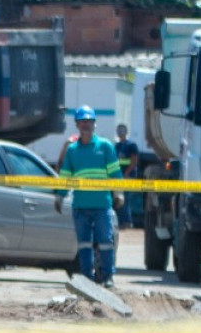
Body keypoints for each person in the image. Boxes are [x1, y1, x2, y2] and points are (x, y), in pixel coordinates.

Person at [58, 106, 121, 285]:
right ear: (77, 124)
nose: (86, 125)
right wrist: (60, 196)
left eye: (89, 121)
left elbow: (115, 173)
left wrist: (119, 193)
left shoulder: (105, 147)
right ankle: (87, 277)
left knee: (106, 242)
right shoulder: (72, 150)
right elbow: (65, 177)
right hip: (81, 206)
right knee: (84, 244)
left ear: (94, 124)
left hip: (102, 205)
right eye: (82, 122)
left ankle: (108, 276)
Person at [113, 123, 143, 228]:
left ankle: (127, 221)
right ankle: (120, 221)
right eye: (118, 130)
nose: (120, 132)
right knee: (118, 199)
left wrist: (126, 174)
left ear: (126, 132)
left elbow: (134, 162)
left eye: (122, 130)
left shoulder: (131, 145)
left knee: (125, 198)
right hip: (118, 176)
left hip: (127, 176)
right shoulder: (116, 146)